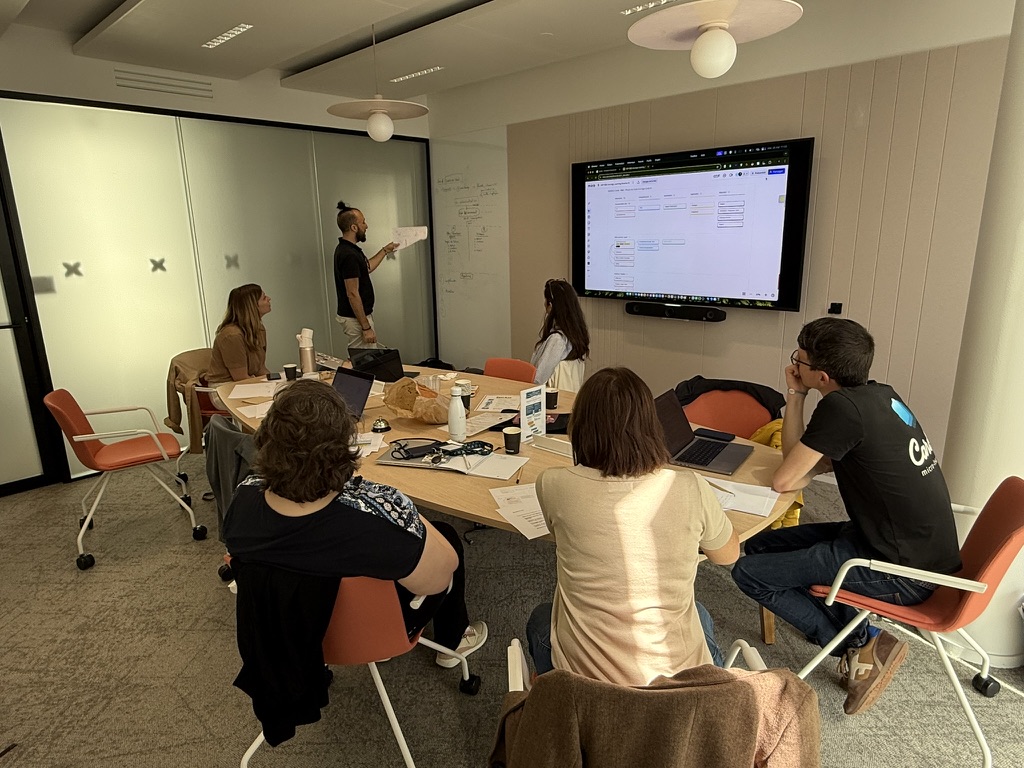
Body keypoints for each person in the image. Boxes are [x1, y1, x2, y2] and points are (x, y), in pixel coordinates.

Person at [224, 380, 488, 742]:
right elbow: (439, 577)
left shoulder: (243, 501)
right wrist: (400, 508)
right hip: (374, 629)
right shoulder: (368, 521)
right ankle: (454, 641)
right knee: (447, 538)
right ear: (341, 447)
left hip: (294, 635)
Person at [731, 317, 961, 715]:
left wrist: (795, 396)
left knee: (747, 572)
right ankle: (862, 633)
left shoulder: (842, 409)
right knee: (759, 544)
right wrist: (797, 397)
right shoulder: (879, 395)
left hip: (902, 570)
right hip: (906, 545)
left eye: (797, 360)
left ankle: (858, 644)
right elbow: (806, 466)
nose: (794, 366)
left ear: (821, 375)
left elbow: (786, 477)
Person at [526, 367, 739, 686]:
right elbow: (727, 556)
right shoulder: (688, 486)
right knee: (698, 613)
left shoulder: (553, 484)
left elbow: (561, 534)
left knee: (540, 619)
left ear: (579, 428)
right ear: (651, 427)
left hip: (587, 691)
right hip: (684, 689)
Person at [333, 200, 400, 350]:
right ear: (354, 227)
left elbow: (366, 268)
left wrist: (385, 250)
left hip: (358, 318)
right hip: (356, 320)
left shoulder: (350, 249)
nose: (366, 226)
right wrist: (365, 327)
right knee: (364, 364)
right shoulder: (348, 254)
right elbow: (352, 293)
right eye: (363, 222)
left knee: (368, 361)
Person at [530, 278, 590, 392]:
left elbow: (538, 379)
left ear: (551, 305)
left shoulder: (557, 340)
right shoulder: (576, 335)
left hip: (552, 401)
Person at [206, 283, 271, 384]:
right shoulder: (232, 336)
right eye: (264, 298)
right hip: (225, 388)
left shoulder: (259, 329)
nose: (269, 299)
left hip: (245, 383)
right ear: (252, 305)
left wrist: (278, 384)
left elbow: (260, 369)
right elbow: (240, 378)